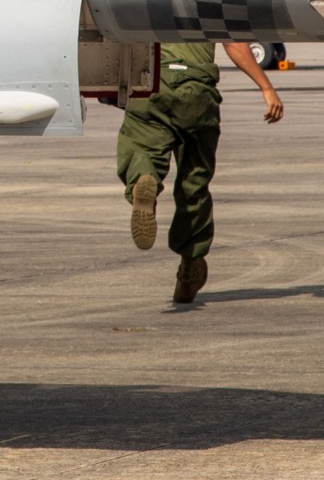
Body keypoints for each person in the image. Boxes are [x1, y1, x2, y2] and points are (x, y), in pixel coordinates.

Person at [117, 42, 283, 304]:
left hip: (148, 84)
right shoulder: (209, 0)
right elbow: (234, 43)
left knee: (141, 149)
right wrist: (267, 87)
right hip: (196, 88)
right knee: (194, 183)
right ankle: (190, 266)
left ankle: (143, 180)